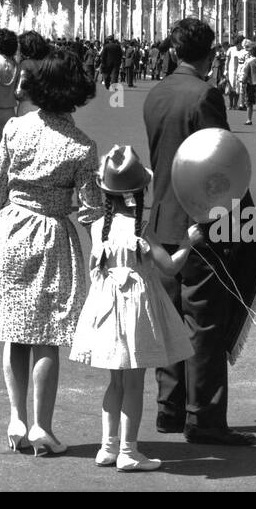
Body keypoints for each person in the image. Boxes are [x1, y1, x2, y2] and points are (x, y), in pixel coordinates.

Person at [143, 18, 256, 445]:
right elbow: (221, 163)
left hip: (162, 218)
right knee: (205, 326)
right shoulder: (205, 95)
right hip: (201, 223)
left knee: (170, 320)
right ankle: (205, 419)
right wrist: (247, 217)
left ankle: (170, 409)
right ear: (211, 53)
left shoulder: (157, 92)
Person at [0, 49, 100, 456]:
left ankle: (15, 417)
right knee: (47, 336)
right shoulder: (82, 146)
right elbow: (91, 210)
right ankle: (41, 426)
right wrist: (102, 246)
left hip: (11, 228)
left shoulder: (15, 128)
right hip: (52, 236)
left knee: (15, 331)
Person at [70, 147, 193, 471]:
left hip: (108, 307)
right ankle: (128, 451)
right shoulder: (143, 229)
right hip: (136, 308)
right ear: (140, 191)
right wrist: (189, 243)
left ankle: (108, 448)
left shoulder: (99, 227)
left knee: (116, 383)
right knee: (135, 384)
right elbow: (169, 268)